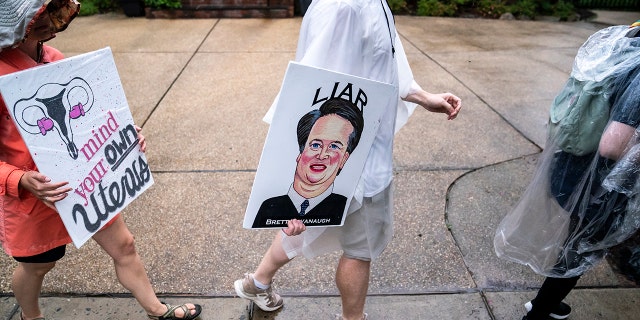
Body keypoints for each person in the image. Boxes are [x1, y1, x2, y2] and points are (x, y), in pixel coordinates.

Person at [234, 0, 462, 319]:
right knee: (359, 249)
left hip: (359, 155)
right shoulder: (347, 7)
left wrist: (424, 98)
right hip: (359, 164)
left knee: (310, 224)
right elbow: (312, 87)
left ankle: (257, 282)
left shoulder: (370, 3)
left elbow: (384, 63)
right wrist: (291, 168)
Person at [0, 1, 202, 319]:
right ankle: (31, 316)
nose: (51, 22)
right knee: (38, 266)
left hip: (85, 180)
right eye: (39, 16)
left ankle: (156, 310)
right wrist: (20, 179)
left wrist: (123, 136)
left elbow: (87, 123)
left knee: (125, 246)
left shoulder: (54, 59)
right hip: (33, 197)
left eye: (53, 11)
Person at [494, 23, 640, 320]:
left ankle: (544, 305)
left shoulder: (624, 41)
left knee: (575, 244)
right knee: (579, 249)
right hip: (600, 184)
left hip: (571, 166)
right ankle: (539, 313)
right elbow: (613, 146)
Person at [252, 97, 364, 228]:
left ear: (344, 159)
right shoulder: (268, 207)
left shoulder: (344, 208)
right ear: (300, 152)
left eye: (334, 147)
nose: (322, 155)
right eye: (316, 145)